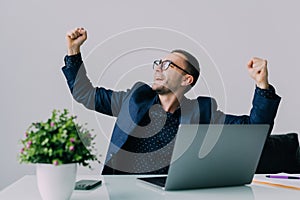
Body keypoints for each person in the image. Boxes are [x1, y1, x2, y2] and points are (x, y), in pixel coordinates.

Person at [62, 27, 282, 174]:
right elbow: (86, 95)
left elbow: (254, 130)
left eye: (168, 65)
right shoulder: (134, 99)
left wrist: (262, 84)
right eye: (159, 63)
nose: (159, 68)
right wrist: (74, 51)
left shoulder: (203, 111)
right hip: (124, 190)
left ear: (187, 79)